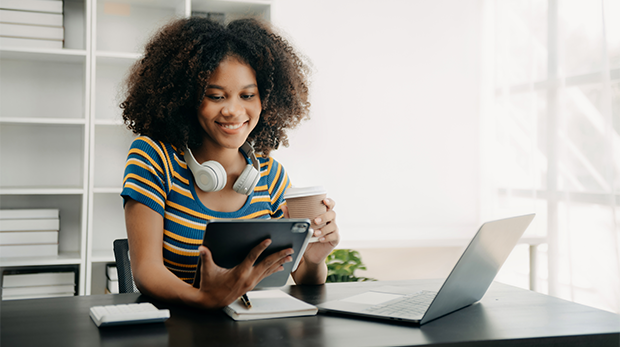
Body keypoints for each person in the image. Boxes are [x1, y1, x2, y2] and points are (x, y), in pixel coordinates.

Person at [119, 17, 339, 309]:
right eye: (216, 96)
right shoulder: (154, 158)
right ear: (187, 98)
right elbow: (146, 271)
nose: (234, 110)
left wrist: (313, 258)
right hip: (177, 328)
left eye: (247, 95)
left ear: (267, 100)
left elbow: (304, 280)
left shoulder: (270, 176)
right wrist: (205, 298)